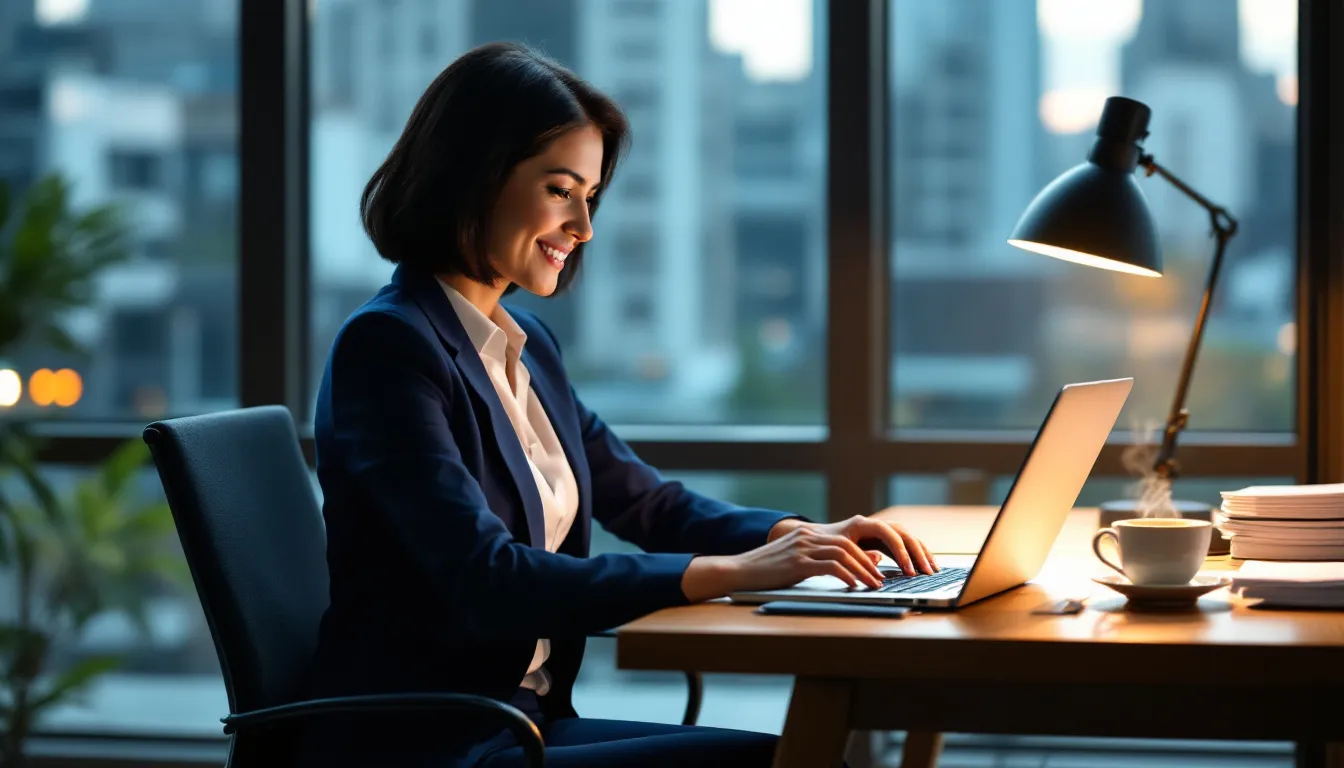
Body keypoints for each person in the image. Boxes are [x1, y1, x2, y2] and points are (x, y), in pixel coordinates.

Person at [299, 42, 938, 768]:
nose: (583, 227)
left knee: (816, 755)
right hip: (427, 741)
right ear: (472, 175)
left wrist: (800, 537)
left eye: (591, 197)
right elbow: (488, 578)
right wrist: (728, 572)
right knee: (807, 759)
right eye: (560, 189)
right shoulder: (387, 348)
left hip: (519, 723)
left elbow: (649, 505)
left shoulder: (526, 346)